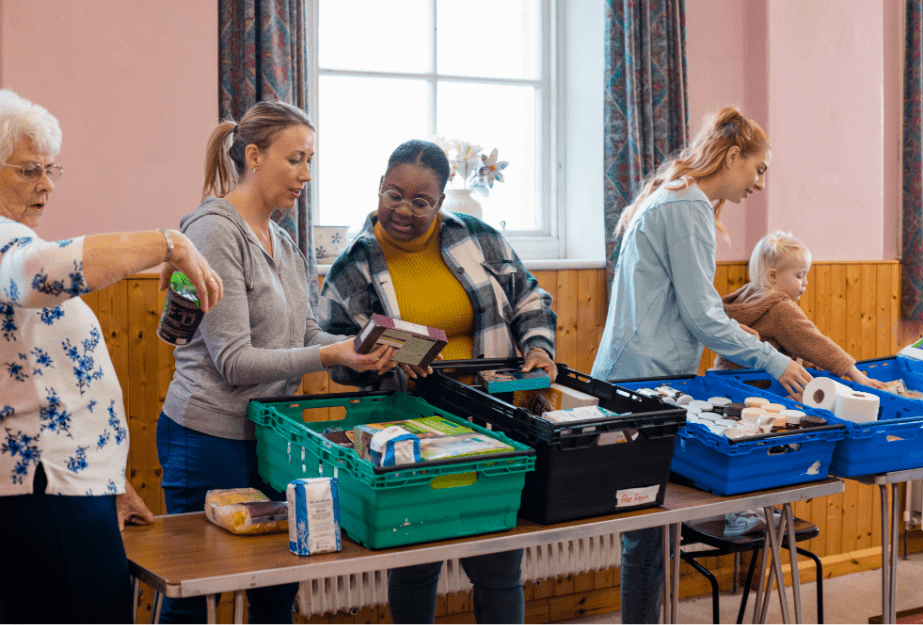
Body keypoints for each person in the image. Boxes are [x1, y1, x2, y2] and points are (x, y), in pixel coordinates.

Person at [156, 100, 395, 624]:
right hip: (208, 437)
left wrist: (354, 348)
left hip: (271, 438)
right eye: (295, 160)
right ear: (254, 155)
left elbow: (305, 332)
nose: (306, 175)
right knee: (197, 595)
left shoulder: (285, 241)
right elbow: (235, 361)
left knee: (277, 585)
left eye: (311, 161)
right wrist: (327, 353)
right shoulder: (214, 233)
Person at [0, 89, 223, 623]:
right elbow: (41, 273)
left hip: (66, 486)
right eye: (30, 169)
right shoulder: (12, 250)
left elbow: (52, 386)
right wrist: (171, 243)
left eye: (51, 168)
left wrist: (110, 482)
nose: (47, 184)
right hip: (40, 492)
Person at [319, 139, 557, 623]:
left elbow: (531, 296)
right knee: (415, 562)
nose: (403, 209)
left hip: (491, 423)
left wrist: (537, 346)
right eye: (393, 194)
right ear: (379, 188)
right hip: (409, 429)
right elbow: (335, 356)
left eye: (421, 201)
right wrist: (379, 361)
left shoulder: (479, 237)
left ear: (441, 203)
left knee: (498, 565)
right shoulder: (353, 264)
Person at [590, 107, 813, 624]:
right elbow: (702, 315)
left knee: (651, 531)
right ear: (732, 156)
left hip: (642, 374)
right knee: (647, 535)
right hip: (642, 379)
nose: (760, 184)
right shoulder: (686, 205)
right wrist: (773, 358)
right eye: (758, 170)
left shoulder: (673, 195)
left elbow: (691, 307)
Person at [714, 230, 886, 391]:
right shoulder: (780, 308)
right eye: (799, 276)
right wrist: (858, 377)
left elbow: (779, 343)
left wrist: (807, 362)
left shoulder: (748, 295)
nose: (805, 283)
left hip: (725, 380)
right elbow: (815, 342)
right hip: (759, 389)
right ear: (772, 276)